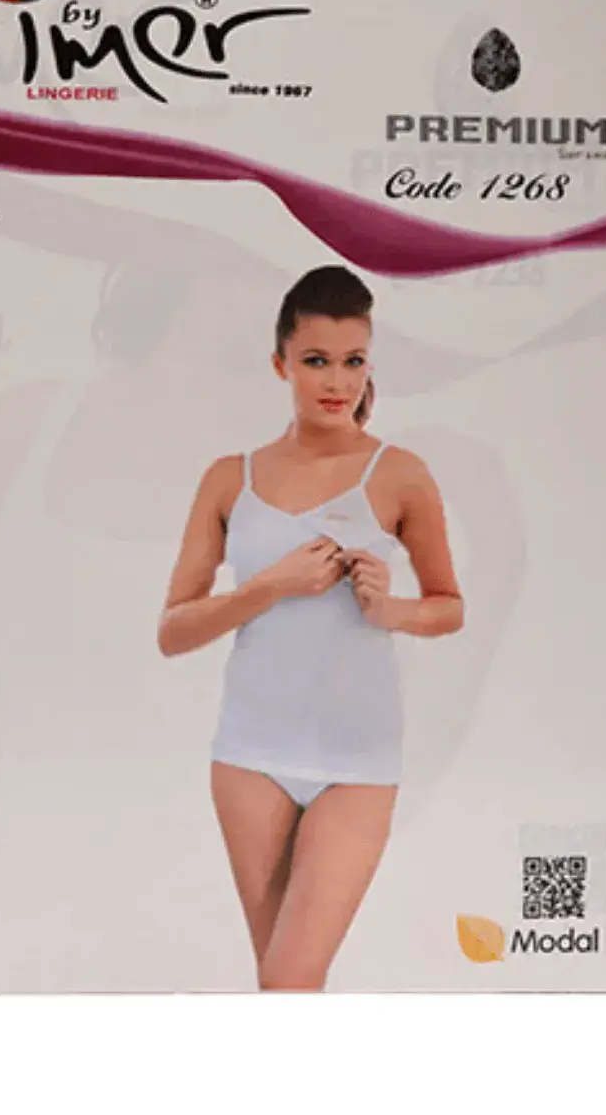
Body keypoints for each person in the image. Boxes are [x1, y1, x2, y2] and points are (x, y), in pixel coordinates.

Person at [158, 264, 465, 991]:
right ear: (281, 365)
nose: (338, 381)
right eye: (317, 360)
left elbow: (449, 605)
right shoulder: (229, 478)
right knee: (284, 984)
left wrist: (390, 610)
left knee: (291, 976)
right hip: (249, 758)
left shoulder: (401, 474)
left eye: (354, 361)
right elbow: (173, 631)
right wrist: (270, 586)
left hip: (357, 761)